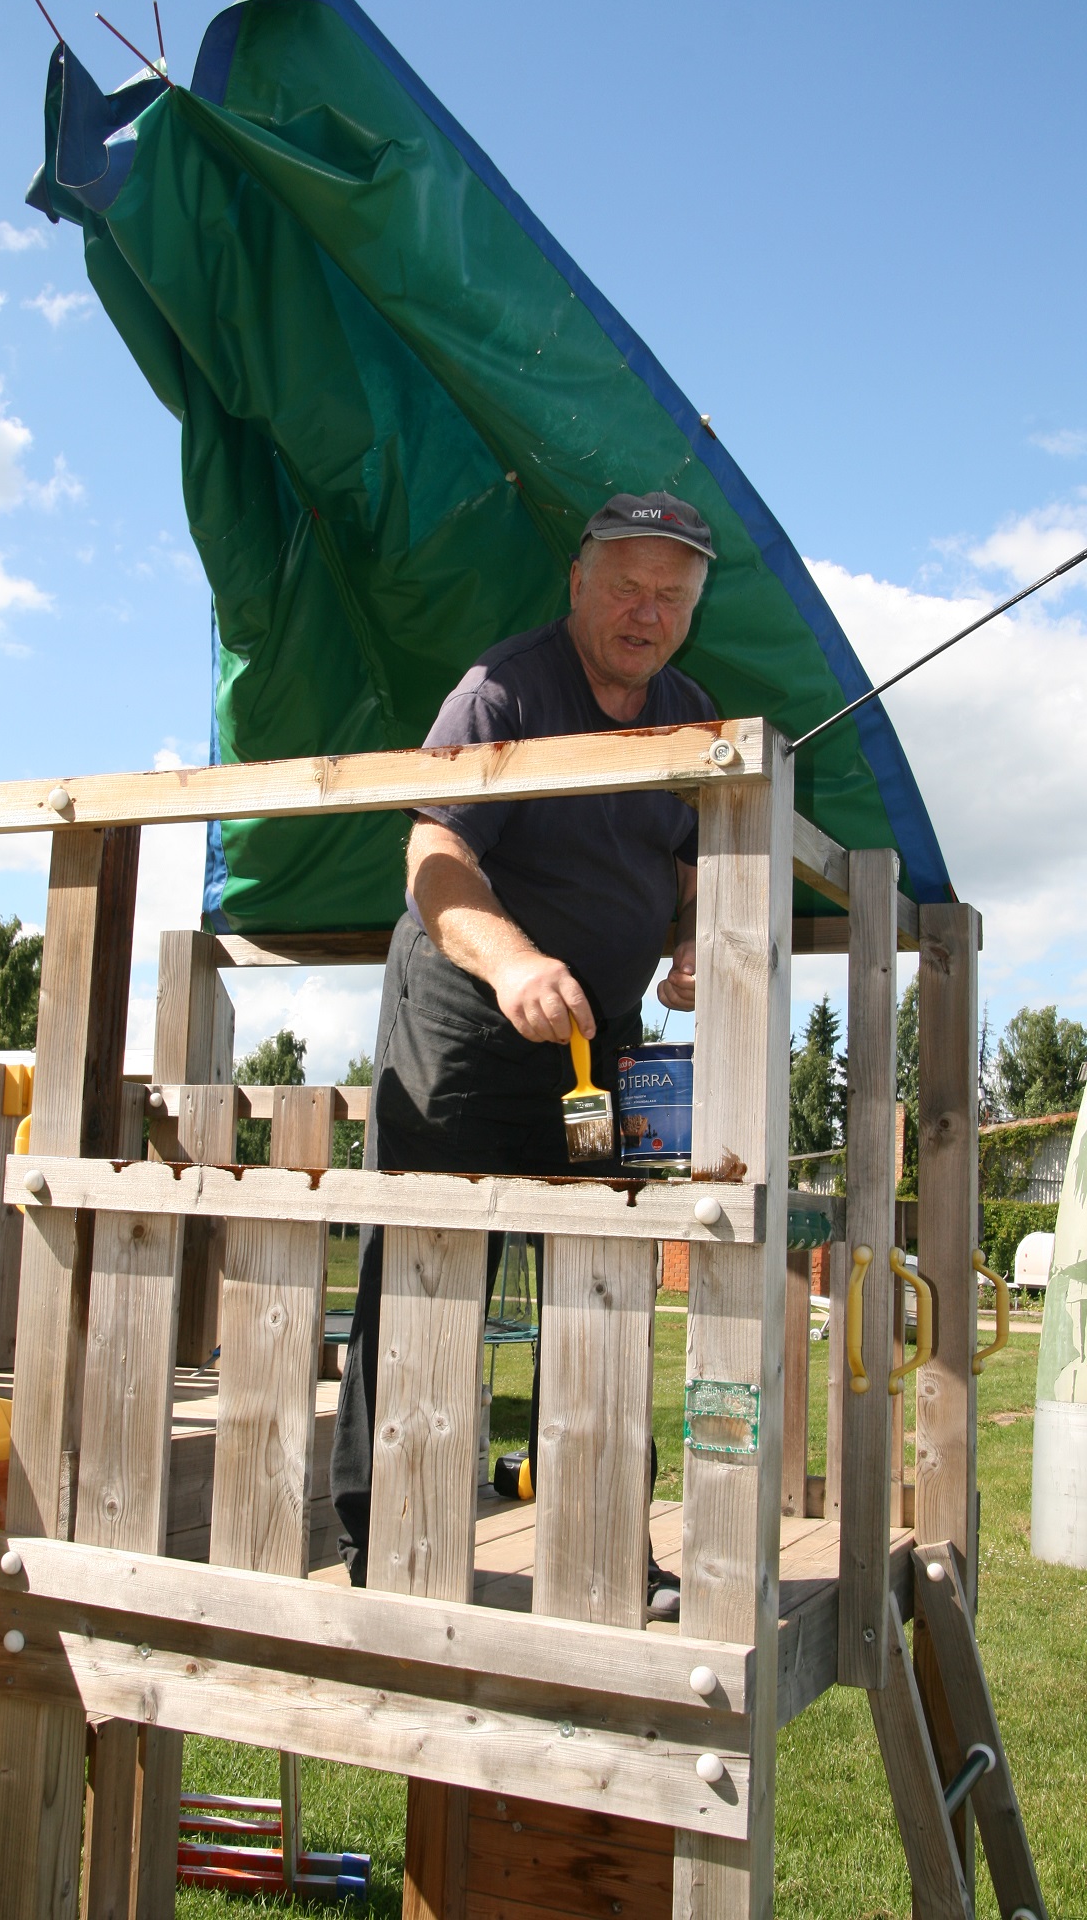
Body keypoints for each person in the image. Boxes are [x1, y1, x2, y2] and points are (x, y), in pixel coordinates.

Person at [329, 490, 717, 1616]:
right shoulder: (502, 689)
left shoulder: (689, 710)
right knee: (425, 1277)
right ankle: (389, 1546)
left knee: (601, 1287)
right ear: (579, 584)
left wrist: (688, 943)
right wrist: (509, 967)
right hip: (464, 1024)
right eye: (629, 588)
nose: (647, 614)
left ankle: (607, 1551)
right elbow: (434, 854)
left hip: (602, 1048)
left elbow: (690, 863)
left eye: (672, 596)